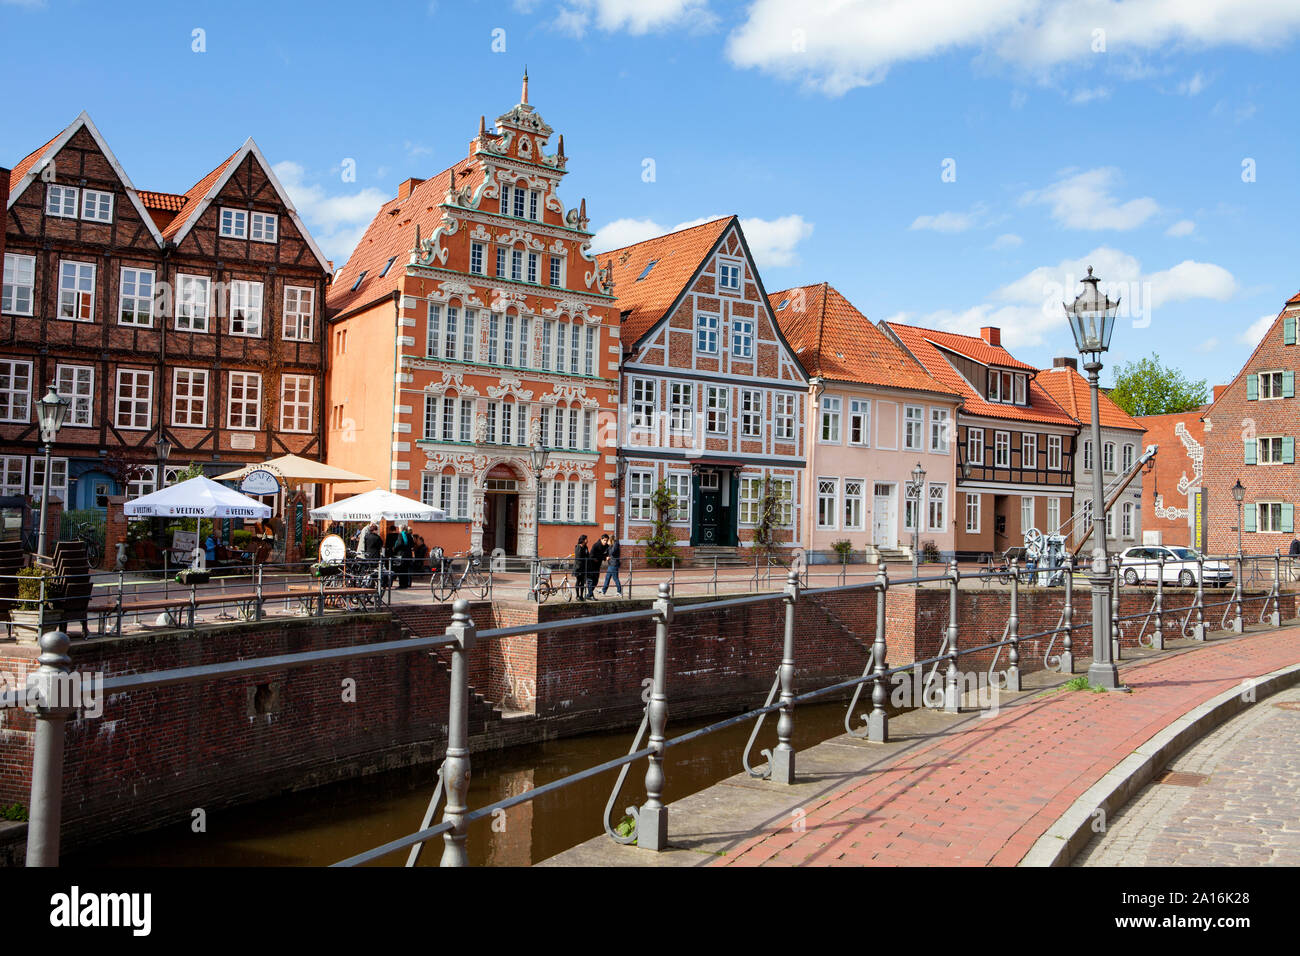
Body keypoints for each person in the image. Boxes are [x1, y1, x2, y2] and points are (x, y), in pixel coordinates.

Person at [393, 524, 414, 589]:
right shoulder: (409, 535)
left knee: (401, 570)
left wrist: (394, 548)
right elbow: (412, 544)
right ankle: (406, 584)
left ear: (401, 529)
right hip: (408, 555)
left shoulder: (400, 535)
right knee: (406, 570)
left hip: (401, 554)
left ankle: (402, 584)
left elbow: (399, 544)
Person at [587, 534, 609, 599]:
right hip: (591, 565)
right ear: (601, 539)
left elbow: (607, 553)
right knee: (591, 580)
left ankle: (589, 595)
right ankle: (590, 595)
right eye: (604, 540)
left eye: (606, 540)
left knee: (596, 581)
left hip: (597, 566)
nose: (605, 542)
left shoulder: (606, 546)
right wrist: (604, 558)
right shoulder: (596, 545)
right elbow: (591, 555)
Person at [573, 534, 590, 601]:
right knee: (578, 581)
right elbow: (578, 557)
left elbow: (587, 555)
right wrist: (585, 558)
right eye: (586, 539)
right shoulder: (578, 547)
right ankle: (577, 595)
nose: (587, 540)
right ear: (583, 540)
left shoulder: (586, 547)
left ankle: (581, 596)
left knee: (583, 582)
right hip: (578, 567)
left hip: (584, 567)